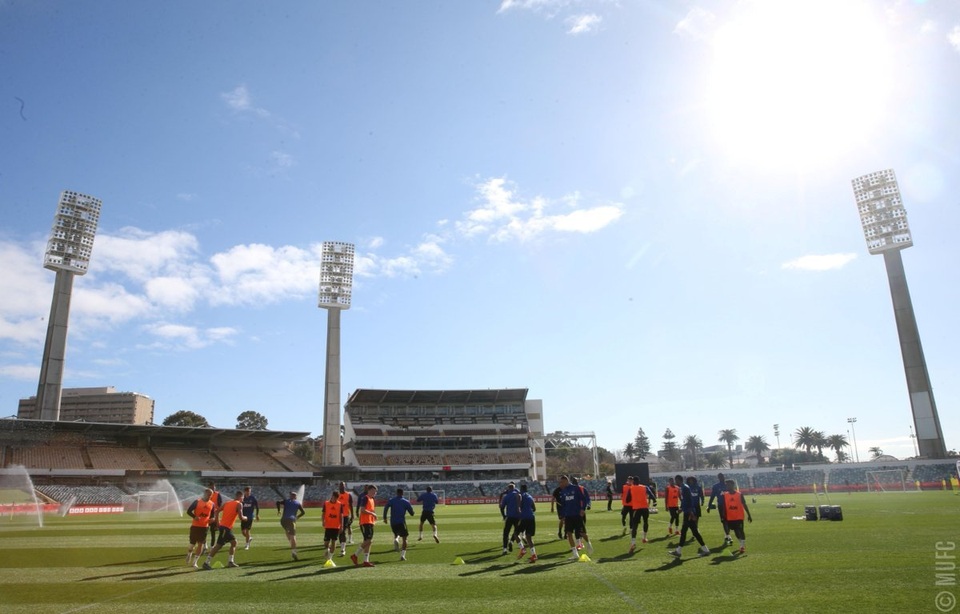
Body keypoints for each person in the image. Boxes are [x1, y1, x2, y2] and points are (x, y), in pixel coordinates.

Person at [203, 490, 247, 570]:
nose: (243, 499)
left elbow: (217, 511)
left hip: (225, 527)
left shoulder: (227, 503)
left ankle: (230, 561)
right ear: (240, 497)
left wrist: (217, 522)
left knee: (233, 542)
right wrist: (246, 518)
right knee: (219, 546)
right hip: (226, 528)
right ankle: (206, 562)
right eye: (243, 497)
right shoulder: (239, 504)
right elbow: (241, 517)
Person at [669, 475, 710, 558]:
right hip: (687, 512)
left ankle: (678, 551)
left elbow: (690, 501)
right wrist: (682, 509)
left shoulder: (685, 488)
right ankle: (705, 550)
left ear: (678, 480)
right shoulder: (684, 488)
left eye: (676, 481)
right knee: (693, 532)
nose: (675, 482)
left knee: (685, 532)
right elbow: (685, 501)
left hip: (689, 513)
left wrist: (691, 513)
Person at [557, 474, 593, 561]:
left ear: (566, 481)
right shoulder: (562, 492)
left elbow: (583, 499)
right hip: (568, 516)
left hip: (577, 515)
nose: (560, 484)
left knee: (582, 533)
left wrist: (582, 509)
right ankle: (575, 554)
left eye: (561, 482)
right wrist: (563, 516)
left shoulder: (576, 489)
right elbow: (563, 505)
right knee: (569, 534)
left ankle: (588, 543)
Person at [185, 488, 215, 568]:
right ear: (204, 494)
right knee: (192, 544)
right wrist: (194, 517)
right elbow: (188, 511)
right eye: (208, 494)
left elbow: (212, 515)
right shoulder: (197, 502)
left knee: (201, 544)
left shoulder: (212, 504)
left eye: (210, 495)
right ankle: (189, 553)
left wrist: (212, 519)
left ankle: (195, 562)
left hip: (204, 527)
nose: (209, 496)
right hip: (195, 526)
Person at [721, 479, 752, 554]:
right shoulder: (725, 495)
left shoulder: (739, 494)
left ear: (733, 485)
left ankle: (742, 546)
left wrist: (749, 515)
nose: (727, 486)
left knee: (741, 531)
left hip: (739, 516)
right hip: (730, 517)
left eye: (729, 484)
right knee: (735, 532)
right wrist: (723, 515)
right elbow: (724, 506)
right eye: (726, 485)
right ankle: (741, 543)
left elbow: (744, 504)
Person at [384, 488, 415, 561]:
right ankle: (402, 556)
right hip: (401, 522)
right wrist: (411, 511)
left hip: (393, 522)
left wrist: (385, 518)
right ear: (402, 493)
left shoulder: (392, 500)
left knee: (396, 533)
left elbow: (386, 507)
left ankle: (396, 538)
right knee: (405, 538)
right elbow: (412, 513)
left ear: (396, 493)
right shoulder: (406, 502)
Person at [626, 475, 655, 552]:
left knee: (635, 525)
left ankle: (633, 543)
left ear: (633, 481)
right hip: (645, 508)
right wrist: (654, 501)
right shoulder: (644, 487)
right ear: (639, 481)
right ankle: (644, 538)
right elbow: (652, 495)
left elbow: (627, 500)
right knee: (645, 522)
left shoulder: (631, 488)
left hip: (636, 509)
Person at [351, 484, 378, 567]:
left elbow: (370, 510)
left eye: (375, 492)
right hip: (365, 522)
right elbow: (362, 510)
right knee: (368, 541)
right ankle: (355, 555)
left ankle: (366, 561)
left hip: (370, 522)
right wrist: (372, 514)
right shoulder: (365, 498)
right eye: (373, 491)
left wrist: (373, 518)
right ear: (369, 491)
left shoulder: (372, 499)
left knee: (368, 542)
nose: (374, 493)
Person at [276, 490, 305, 561]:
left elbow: (277, 502)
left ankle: (291, 543)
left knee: (287, 531)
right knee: (293, 537)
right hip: (291, 520)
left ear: (290, 496)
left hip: (283, 521)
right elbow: (303, 512)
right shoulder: (298, 503)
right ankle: (294, 552)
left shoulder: (286, 501)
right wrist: (297, 517)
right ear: (295, 497)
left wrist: (279, 510)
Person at [707, 472, 732, 546]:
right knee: (724, 520)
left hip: (729, 505)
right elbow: (712, 496)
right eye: (720, 477)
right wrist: (709, 505)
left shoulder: (728, 485)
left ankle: (727, 534)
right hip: (721, 505)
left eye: (722, 477)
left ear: (724, 477)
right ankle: (728, 535)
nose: (721, 478)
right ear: (718, 478)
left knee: (729, 520)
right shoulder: (716, 486)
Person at [517, 483, 538, 562]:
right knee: (529, 537)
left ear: (521, 489)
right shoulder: (530, 496)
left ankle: (522, 549)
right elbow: (534, 508)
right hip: (531, 518)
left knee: (516, 534)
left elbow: (518, 506)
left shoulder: (520, 496)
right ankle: (534, 555)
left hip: (524, 518)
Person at [322, 489, 344, 564]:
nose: (334, 499)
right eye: (333, 497)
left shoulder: (340, 504)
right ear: (332, 496)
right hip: (328, 525)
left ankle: (330, 558)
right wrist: (323, 521)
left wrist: (341, 526)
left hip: (336, 526)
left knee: (334, 541)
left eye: (336, 498)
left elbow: (341, 516)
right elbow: (323, 513)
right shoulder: (326, 503)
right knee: (326, 543)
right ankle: (327, 551)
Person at [499, 482, 522, 554]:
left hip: (509, 517)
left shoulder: (506, 497)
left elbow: (502, 508)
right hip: (518, 517)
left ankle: (505, 549)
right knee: (516, 532)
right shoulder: (518, 494)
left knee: (506, 533)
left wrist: (504, 516)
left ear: (509, 488)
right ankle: (512, 541)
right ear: (514, 488)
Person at [337, 482, 355, 555]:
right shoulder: (336, 495)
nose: (342, 487)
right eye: (341, 486)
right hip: (337, 517)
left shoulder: (348, 495)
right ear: (339, 487)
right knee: (339, 533)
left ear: (345, 487)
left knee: (343, 531)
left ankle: (343, 549)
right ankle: (342, 545)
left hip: (345, 516)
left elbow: (351, 505)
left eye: (343, 486)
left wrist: (352, 515)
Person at [240, 486, 259, 550]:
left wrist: (257, 515)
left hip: (250, 516)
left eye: (249, 491)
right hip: (243, 516)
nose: (248, 492)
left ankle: (247, 545)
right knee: (243, 532)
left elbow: (257, 506)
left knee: (247, 531)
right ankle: (249, 538)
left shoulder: (252, 498)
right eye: (247, 491)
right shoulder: (242, 498)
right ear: (245, 492)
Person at [206, 481, 223, 551]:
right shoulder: (206, 495)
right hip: (206, 515)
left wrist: (217, 513)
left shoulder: (218, 494)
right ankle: (205, 545)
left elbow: (220, 505)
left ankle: (212, 546)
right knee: (204, 531)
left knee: (213, 531)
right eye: (211, 487)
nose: (213, 488)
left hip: (214, 515)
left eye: (213, 487)